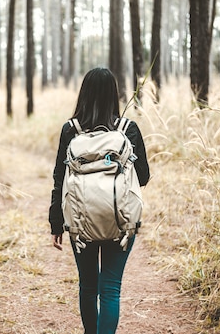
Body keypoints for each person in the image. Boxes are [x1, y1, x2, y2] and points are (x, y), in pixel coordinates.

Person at [49, 67, 150, 334]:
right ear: (114, 95)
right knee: (110, 287)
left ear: (84, 93)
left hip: (81, 224)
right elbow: (144, 177)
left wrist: (56, 224)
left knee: (88, 285)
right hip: (120, 219)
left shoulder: (70, 130)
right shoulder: (129, 129)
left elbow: (60, 179)